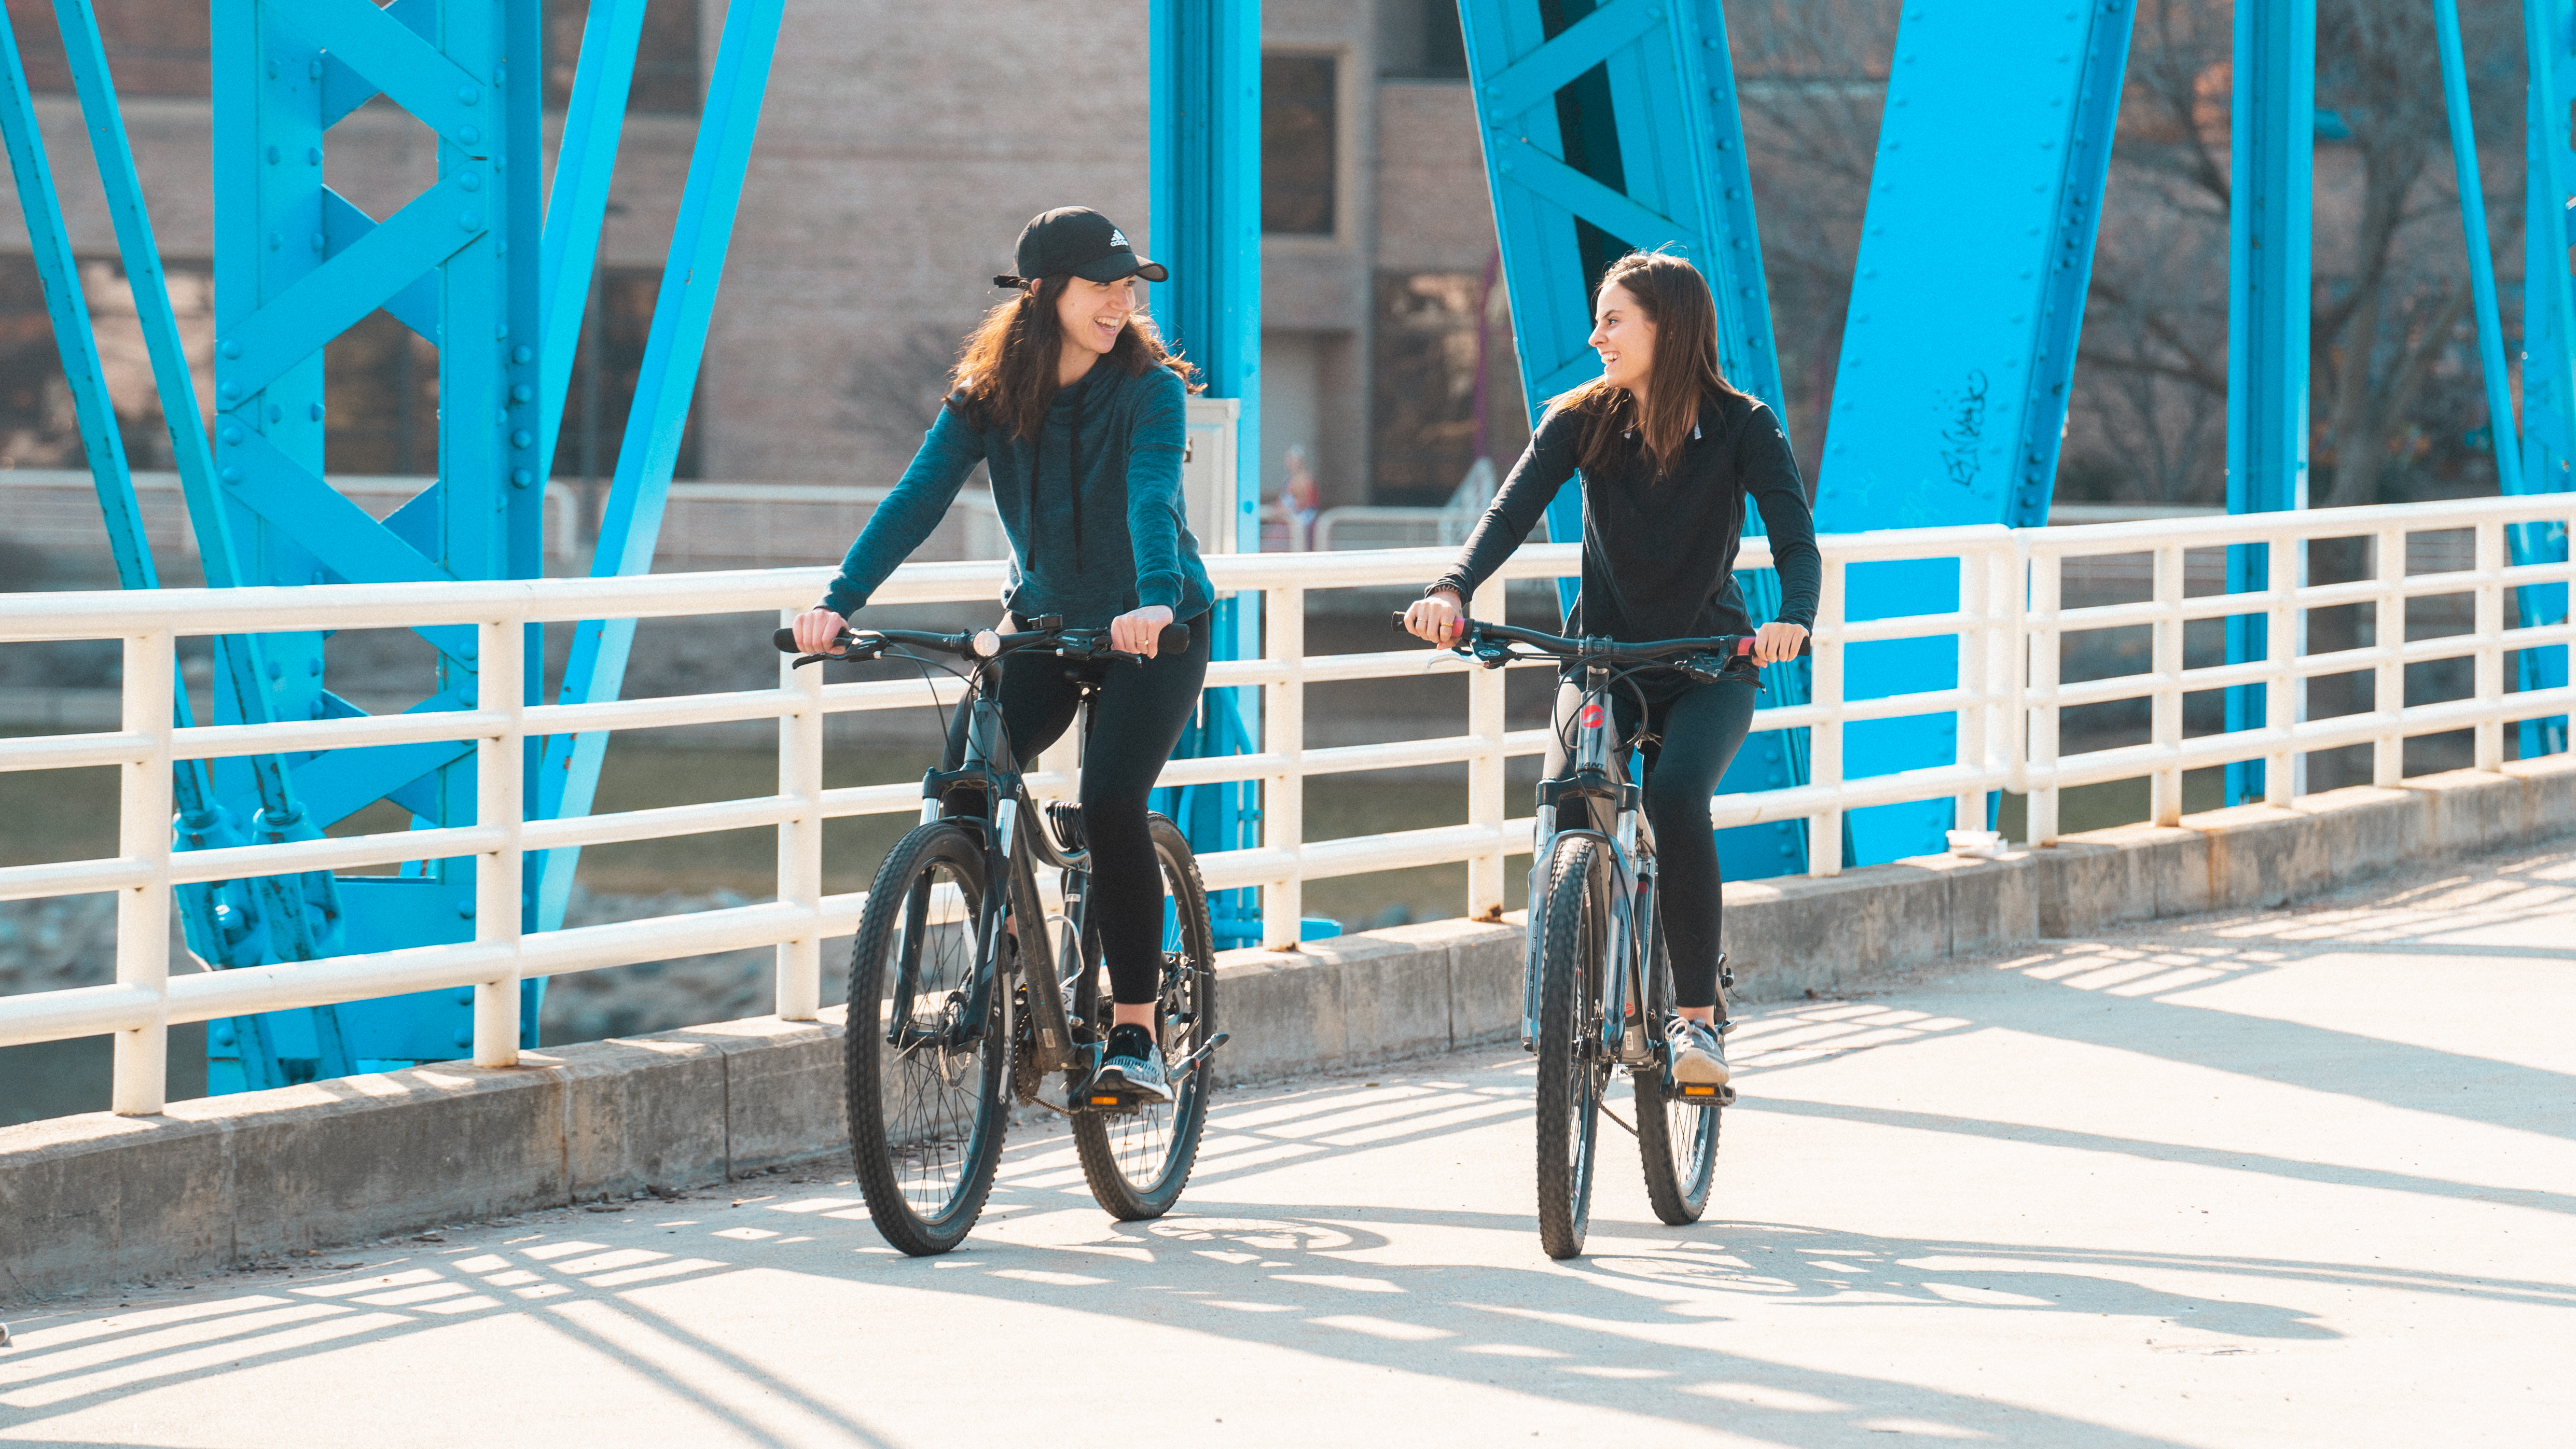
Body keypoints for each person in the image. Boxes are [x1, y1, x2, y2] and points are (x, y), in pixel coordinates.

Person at [793, 206, 1214, 1102]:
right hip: (1045, 628)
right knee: (965, 784)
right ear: (1042, 291)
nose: (1122, 303)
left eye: (1128, 287)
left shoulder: (1149, 388)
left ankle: (1134, 1031)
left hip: (1157, 625)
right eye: (1104, 286)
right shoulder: (989, 397)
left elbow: (1151, 497)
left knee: (1109, 800)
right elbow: (916, 499)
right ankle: (1010, 951)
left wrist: (1151, 597)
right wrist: (836, 603)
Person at [1402, 249, 1821, 1090]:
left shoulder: (1742, 424)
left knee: (1673, 795)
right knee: (1567, 801)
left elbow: (1793, 540)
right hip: (1599, 659)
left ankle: (1695, 1019)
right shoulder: (1579, 418)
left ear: (1666, 326)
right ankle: (1571, 989)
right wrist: (1452, 587)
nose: (1596, 336)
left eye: (1613, 319)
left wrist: (1791, 621)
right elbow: (1507, 512)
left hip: (1709, 663)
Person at [1278, 445, 1321, 550]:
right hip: (1288, 518)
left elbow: (1304, 504)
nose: (1289, 462)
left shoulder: (1306, 479)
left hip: (1303, 519)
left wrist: (1287, 510)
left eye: (1292, 459)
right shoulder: (1288, 480)